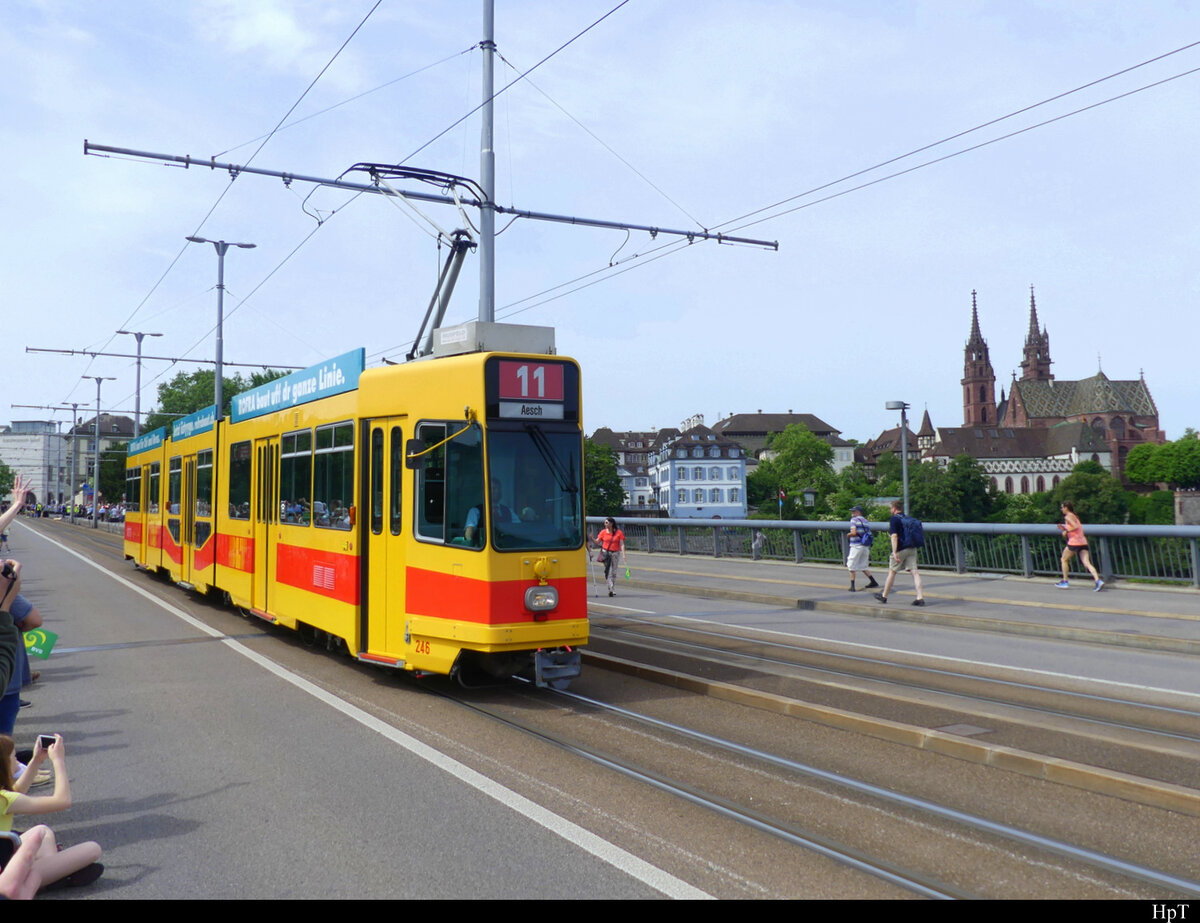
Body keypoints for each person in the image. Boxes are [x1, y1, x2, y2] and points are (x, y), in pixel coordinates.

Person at [0, 734, 103, 890]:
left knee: (43, 831)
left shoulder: (4, 798)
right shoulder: (4, 799)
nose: (17, 761)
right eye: (13, 757)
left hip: (4, 856)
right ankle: (38, 883)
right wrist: (58, 761)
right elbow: (62, 801)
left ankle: (52, 873)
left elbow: (17, 792)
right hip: (6, 875)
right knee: (93, 848)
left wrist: (36, 761)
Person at [874, 500, 924, 606]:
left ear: (894, 508)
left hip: (901, 549)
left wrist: (894, 551)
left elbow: (894, 536)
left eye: (890, 508)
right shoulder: (907, 518)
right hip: (912, 547)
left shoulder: (894, 520)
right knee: (915, 572)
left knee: (892, 572)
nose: (890, 510)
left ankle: (884, 596)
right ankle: (920, 597)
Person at [1056, 501, 1103, 591]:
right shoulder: (1074, 516)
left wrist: (1066, 531)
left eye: (1062, 507)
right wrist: (1064, 528)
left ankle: (1065, 581)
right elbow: (1076, 527)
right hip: (1083, 541)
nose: (1061, 509)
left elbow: (1075, 527)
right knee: (1087, 563)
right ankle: (1098, 581)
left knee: (1064, 559)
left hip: (1074, 542)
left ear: (1066, 508)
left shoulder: (1068, 516)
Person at [464, 478, 515, 547]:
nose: (496, 491)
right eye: (493, 489)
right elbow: (469, 531)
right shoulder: (475, 511)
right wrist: (469, 544)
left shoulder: (508, 511)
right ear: (486, 491)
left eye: (498, 489)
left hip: (507, 549)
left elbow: (518, 528)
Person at [846, 506, 879, 593]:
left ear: (858, 512)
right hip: (865, 546)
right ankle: (873, 581)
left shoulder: (854, 520)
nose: (852, 513)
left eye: (853, 512)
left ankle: (852, 586)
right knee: (863, 565)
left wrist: (848, 535)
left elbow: (853, 532)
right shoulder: (865, 521)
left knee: (851, 565)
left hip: (856, 545)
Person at [594, 517, 626, 597]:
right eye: (605, 523)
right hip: (605, 553)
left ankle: (612, 587)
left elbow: (622, 544)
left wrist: (623, 554)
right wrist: (591, 538)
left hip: (615, 553)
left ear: (611, 524)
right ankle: (611, 588)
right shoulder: (603, 532)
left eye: (607, 522)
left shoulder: (619, 533)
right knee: (607, 571)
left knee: (614, 572)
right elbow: (597, 542)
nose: (605, 524)